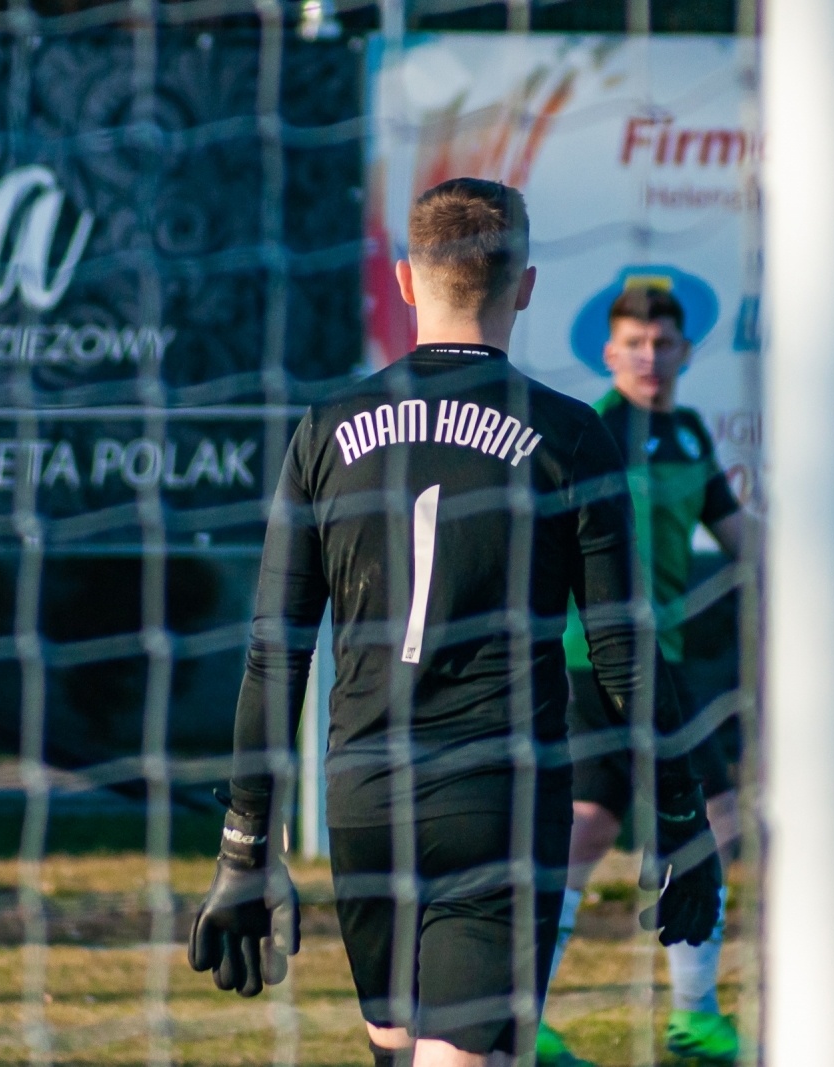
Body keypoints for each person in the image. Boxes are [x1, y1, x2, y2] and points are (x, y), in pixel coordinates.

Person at [186, 177, 723, 1067]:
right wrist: (680, 815)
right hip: (498, 800)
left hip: (364, 797)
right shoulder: (569, 435)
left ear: (404, 281)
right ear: (527, 286)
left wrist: (245, 843)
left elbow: (274, 652)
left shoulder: (325, 430)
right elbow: (626, 649)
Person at [536, 286, 746, 1067]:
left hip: (669, 664)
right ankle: (535, 1016)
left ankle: (693, 1015)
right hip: (594, 657)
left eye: (664, 343)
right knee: (606, 826)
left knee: (682, 822)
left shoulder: (689, 432)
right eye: (636, 343)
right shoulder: (594, 429)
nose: (651, 357)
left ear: (685, 351)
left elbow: (737, 537)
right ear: (609, 352)